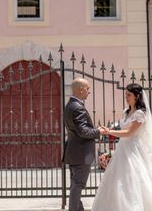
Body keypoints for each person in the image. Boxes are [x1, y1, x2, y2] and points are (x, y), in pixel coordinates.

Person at [92, 83, 152, 211]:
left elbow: (129, 132)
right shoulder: (126, 111)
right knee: (118, 178)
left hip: (134, 149)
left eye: (129, 95)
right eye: (125, 94)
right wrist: (110, 130)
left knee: (134, 177)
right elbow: (123, 129)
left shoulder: (140, 114)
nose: (126, 97)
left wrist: (109, 132)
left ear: (137, 96)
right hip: (122, 148)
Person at [63, 78, 107, 211]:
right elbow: (84, 132)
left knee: (76, 185)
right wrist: (98, 131)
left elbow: (78, 129)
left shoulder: (70, 105)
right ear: (80, 89)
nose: (89, 91)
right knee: (78, 185)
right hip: (81, 153)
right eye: (88, 89)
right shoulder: (78, 108)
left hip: (73, 152)